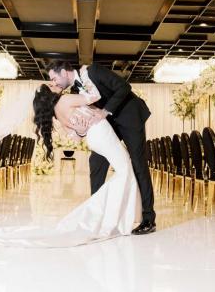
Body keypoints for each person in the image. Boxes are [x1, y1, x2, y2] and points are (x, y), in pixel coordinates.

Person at [0, 82, 141, 247]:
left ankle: (118, 216)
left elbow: (77, 136)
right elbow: (95, 96)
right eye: (51, 85)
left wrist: (80, 128)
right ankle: (111, 217)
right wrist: (83, 79)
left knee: (124, 170)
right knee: (125, 170)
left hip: (95, 137)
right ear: (49, 93)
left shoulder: (57, 113)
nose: (54, 83)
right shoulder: (65, 99)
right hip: (101, 133)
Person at [48, 61, 156, 235]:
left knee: (138, 164)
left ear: (65, 72)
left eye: (54, 78)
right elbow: (86, 118)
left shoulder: (94, 71)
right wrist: (80, 128)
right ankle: (96, 215)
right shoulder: (74, 92)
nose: (55, 83)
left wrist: (105, 111)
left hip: (129, 117)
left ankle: (148, 219)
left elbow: (124, 87)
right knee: (96, 163)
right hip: (108, 125)